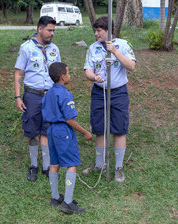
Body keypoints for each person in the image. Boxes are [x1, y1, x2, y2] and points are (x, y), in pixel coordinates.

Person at [83, 16, 136, 182]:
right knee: (99, 128)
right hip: (99, 93)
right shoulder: (93, 48)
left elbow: (131, 66)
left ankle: (118, 169)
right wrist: (93, 77)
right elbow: (88, 71)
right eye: (95, 31)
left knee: (119, 129)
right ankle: (99, 165)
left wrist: (115, 51)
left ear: (109, 31)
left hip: (118, 92)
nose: (96, 34)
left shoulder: (123, 45)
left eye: (99, 31)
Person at [14, 16, 61, 182]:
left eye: (53, 30)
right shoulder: (26, 48)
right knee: (32, 131)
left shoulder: (54, 49)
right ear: (40, 29)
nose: (52, 33)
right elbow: (18, 73)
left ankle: (46, 166)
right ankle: (34, 165)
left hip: (50, 96)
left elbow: (59, 74)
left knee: (46, 130)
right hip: (32, 95)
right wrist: (18, 97)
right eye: (49, 30)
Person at [42, 62, 92, 214]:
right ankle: (68, 203)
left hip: (50, 130)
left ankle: (55, 197)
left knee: (54, 163)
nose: (70, 75)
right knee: (72, 164)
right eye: (69, 73)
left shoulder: (48, 93)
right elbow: (70, 120)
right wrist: (85, 132)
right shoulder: (64, 94)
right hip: (63, 130)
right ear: (63, 77)